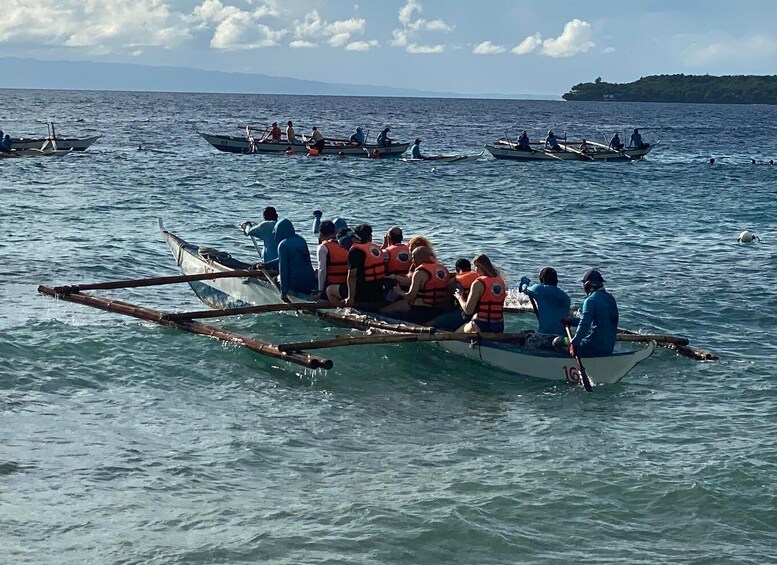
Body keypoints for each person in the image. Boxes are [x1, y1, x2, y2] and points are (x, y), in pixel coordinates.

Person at [383, 246, 451, 324]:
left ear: (419, 258)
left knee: (389, 309)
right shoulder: (443, 269)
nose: (412, 261)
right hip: (439, 309)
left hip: (421, 310)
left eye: (413, 258)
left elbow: (410, 296)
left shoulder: (419, 273)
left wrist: (399, 291)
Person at [327, 224, 386, 309]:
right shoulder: (373, 247)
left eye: (342, 244)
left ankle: (343, 312)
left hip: (363, 293)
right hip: (378, 291)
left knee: (330, 290)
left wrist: (350, 298)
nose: (343, 247)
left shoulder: (355, 252)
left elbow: (352, 277)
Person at [563, 269, 619, 357]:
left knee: (557, 342)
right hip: (608, 349)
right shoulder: (611, 299)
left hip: (591, 348)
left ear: (587, 285)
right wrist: (572, 321)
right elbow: (597, 321)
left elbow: (585, 324)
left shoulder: (590, 301)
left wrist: (574, 343)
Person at [519, 267, 572, 349]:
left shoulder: (539, 289)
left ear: (542, 279)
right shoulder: (566, 297)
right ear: (556, 281)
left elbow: (524, 289)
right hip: (562, 338)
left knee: (525, 335)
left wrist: (524, 282)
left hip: (545, 337)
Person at [265, 218, 316, 302]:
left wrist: (284, 292)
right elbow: (291, 258)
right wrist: (267, 265)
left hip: (294, 284)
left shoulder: (283, 244)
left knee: (274, 279)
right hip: (310, 283)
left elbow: (283, 270)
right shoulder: (301, 240)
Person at [455, 254, 507, 333]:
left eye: (475, 267)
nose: (474, 270)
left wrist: (460, 297)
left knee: (457, 334)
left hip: (482, 326)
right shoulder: (500, 281)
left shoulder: (478, 283)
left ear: (479, 267)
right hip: (499, 326)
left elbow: (468, 310)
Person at [315, 220, 349, 299]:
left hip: (332, 285)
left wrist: (320, 291)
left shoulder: (323, 247)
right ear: (335, 232)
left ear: (321, 234)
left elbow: (322, 270)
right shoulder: (345, 244)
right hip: (347, 285)